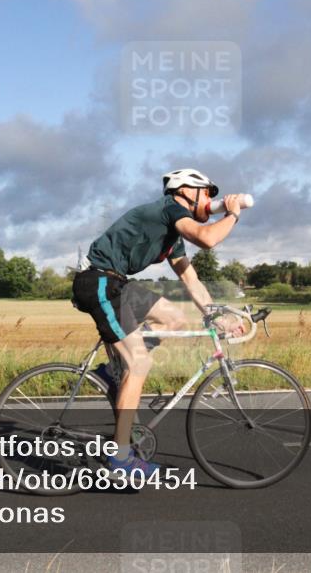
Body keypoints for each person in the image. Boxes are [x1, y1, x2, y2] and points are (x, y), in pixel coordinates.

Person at [71, 168, 245, 476]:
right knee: (139, 364)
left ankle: (113, 373)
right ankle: (120, 459)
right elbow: (207, 239)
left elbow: (191, 281)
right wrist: (232, 214)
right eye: (207, 192)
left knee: (175, 318)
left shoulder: (172, 236)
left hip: (116, 284)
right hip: (98, 283)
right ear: (185, 191)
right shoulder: (169, 209)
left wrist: (217, 317)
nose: (210, 200)